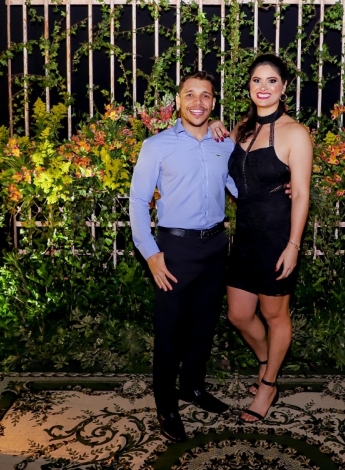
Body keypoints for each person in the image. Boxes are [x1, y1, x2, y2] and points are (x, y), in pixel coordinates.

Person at [129, 70, 237, 443]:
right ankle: (166, 405)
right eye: (190, 94)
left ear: (214, 102)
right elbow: (138, 201)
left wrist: (277, 189)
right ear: (177, 101)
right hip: (174, 249)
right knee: (170, 332)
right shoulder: (156, 145)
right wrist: (151, 254)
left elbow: (240, 187)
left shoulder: (224, 144)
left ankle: (192, 387)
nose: (197, 102)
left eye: (205, 95)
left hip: (215, 246)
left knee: (203, 327)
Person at [225, 53, 313, 423]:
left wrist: (293, 245)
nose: (263, 87)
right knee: (238, 314)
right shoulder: (240, 129)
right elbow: (222, 166)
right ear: (249, 86)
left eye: (271, 80)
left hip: (277, 237)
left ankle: (268, 385)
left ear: (284, 87)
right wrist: (213, 126)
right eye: (257, 80)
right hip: (245, 236)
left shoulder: (296, 133)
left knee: (275, 315)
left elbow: (302, 193)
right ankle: (266, 362)